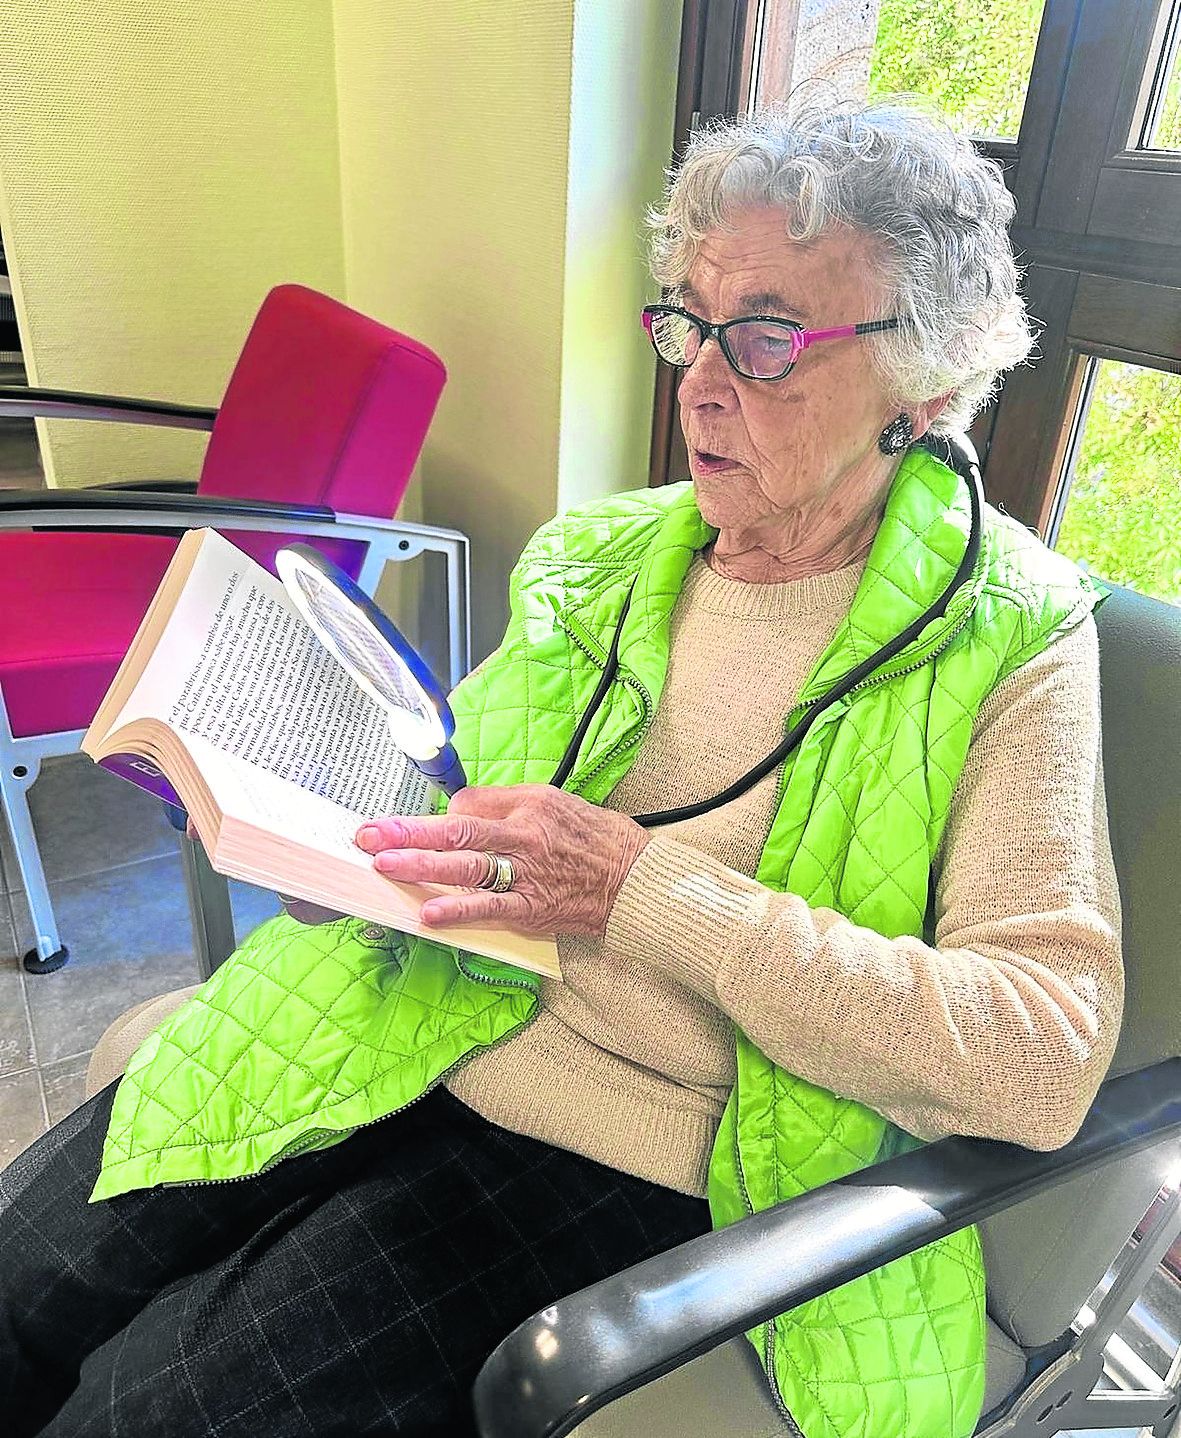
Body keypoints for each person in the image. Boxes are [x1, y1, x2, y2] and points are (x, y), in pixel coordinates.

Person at [0, 96, 1122, 1438]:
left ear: (928, 378)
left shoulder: (1008, 635)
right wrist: (307, 842)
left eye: (763, 337)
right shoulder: (601, 556)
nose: (699, 382)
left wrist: (639, 891)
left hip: (643, 1144)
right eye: (687, 323)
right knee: (24, 1279)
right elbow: (440, 799)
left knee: (145, 1415)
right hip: (404, 1011)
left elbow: (1040, 1059)